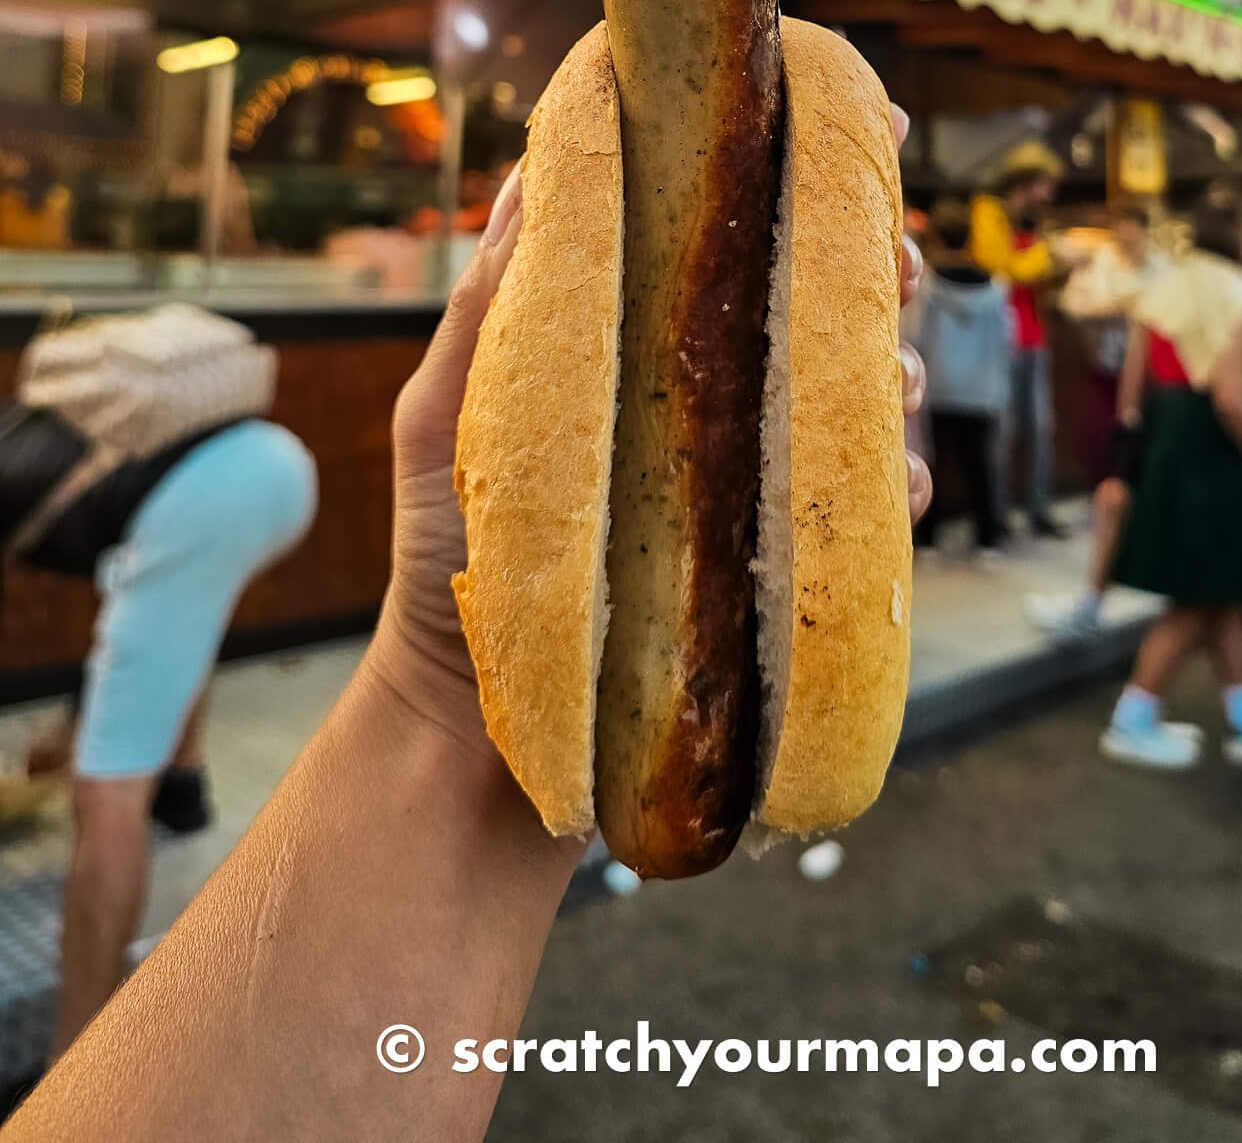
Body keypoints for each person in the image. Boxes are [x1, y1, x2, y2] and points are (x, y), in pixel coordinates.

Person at [7, 122, 932, 1137]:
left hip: (213, 491)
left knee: (119, 763)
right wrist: (456, 679)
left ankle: (78, 1029)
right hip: (254, 476)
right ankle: (117, 921)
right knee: (146, 685)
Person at [17, 419, 319, 1060]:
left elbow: (125, 630)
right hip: (268, 458)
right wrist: (76, 722)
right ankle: (182, 783)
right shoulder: (71, 444)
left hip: (210, 498)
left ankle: (75, 1067)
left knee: (105, 795)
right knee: (179, 622)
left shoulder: (58, 494)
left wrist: (88, 740)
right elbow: (129, 623)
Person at [1099, 200, 1242, 788]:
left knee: (1216, 594)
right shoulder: (1239, 293)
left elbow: (1132, 384)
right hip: (1214, 451)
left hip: (1167, 438)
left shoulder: (1162, 286)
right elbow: (1233, 396)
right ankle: (1133, 717)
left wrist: (1133, 436)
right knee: (1200, 599)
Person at [1032, 205, 1165, 640]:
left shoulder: (1163, 270)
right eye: (1121, 231)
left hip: (1150, 381)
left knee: (1121, 477)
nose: (1127, 239)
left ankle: (1094, 592)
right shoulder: (1102, 264)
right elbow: (1072, 303)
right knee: (1103, 457)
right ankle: (1095, 587)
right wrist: (1111, 309)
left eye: (1133, 230)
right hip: (1106, 372)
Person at [970, 143, 1075, 538]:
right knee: (1003, 430)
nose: (1048, 195)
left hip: (1034, 339)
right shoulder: (987, 212)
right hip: (999, 342)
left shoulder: (1036, 224)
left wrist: (1062, 270)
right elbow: (1001, 269)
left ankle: (1037, 509)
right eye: (1044, 185)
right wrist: (1049, 256)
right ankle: (996, 515)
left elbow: (1034, 280)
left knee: (1039, 429)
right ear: (1026, 182)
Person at [911, 196, 1011, 562]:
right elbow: (1007, 340)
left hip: (939, 386)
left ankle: (929, 540)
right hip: (983, 389)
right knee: (981, 464)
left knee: (935, 462)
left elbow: (917, 334)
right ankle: (988, 540)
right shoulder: (997, 286)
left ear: (935, 237)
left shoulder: (929, 286)